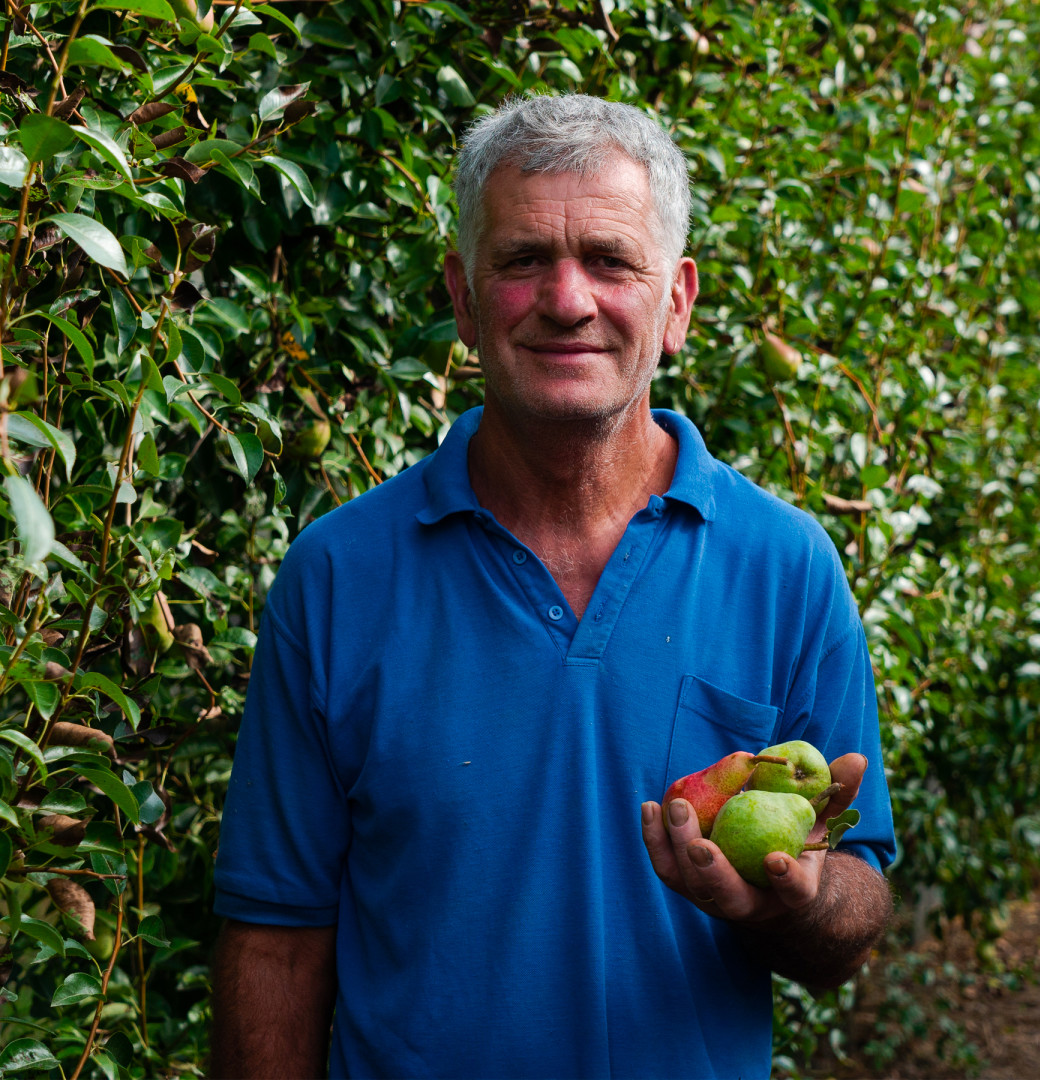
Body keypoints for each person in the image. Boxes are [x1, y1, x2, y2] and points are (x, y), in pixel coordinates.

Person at [209, 92, 895, 1080]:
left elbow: (856, 907)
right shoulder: (338, 576)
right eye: (523, 259)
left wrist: (797, 900)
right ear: (462, 295)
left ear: (676, 305)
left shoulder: (785, 566)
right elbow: (275, 935)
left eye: (611, 261)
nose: (567, 299)